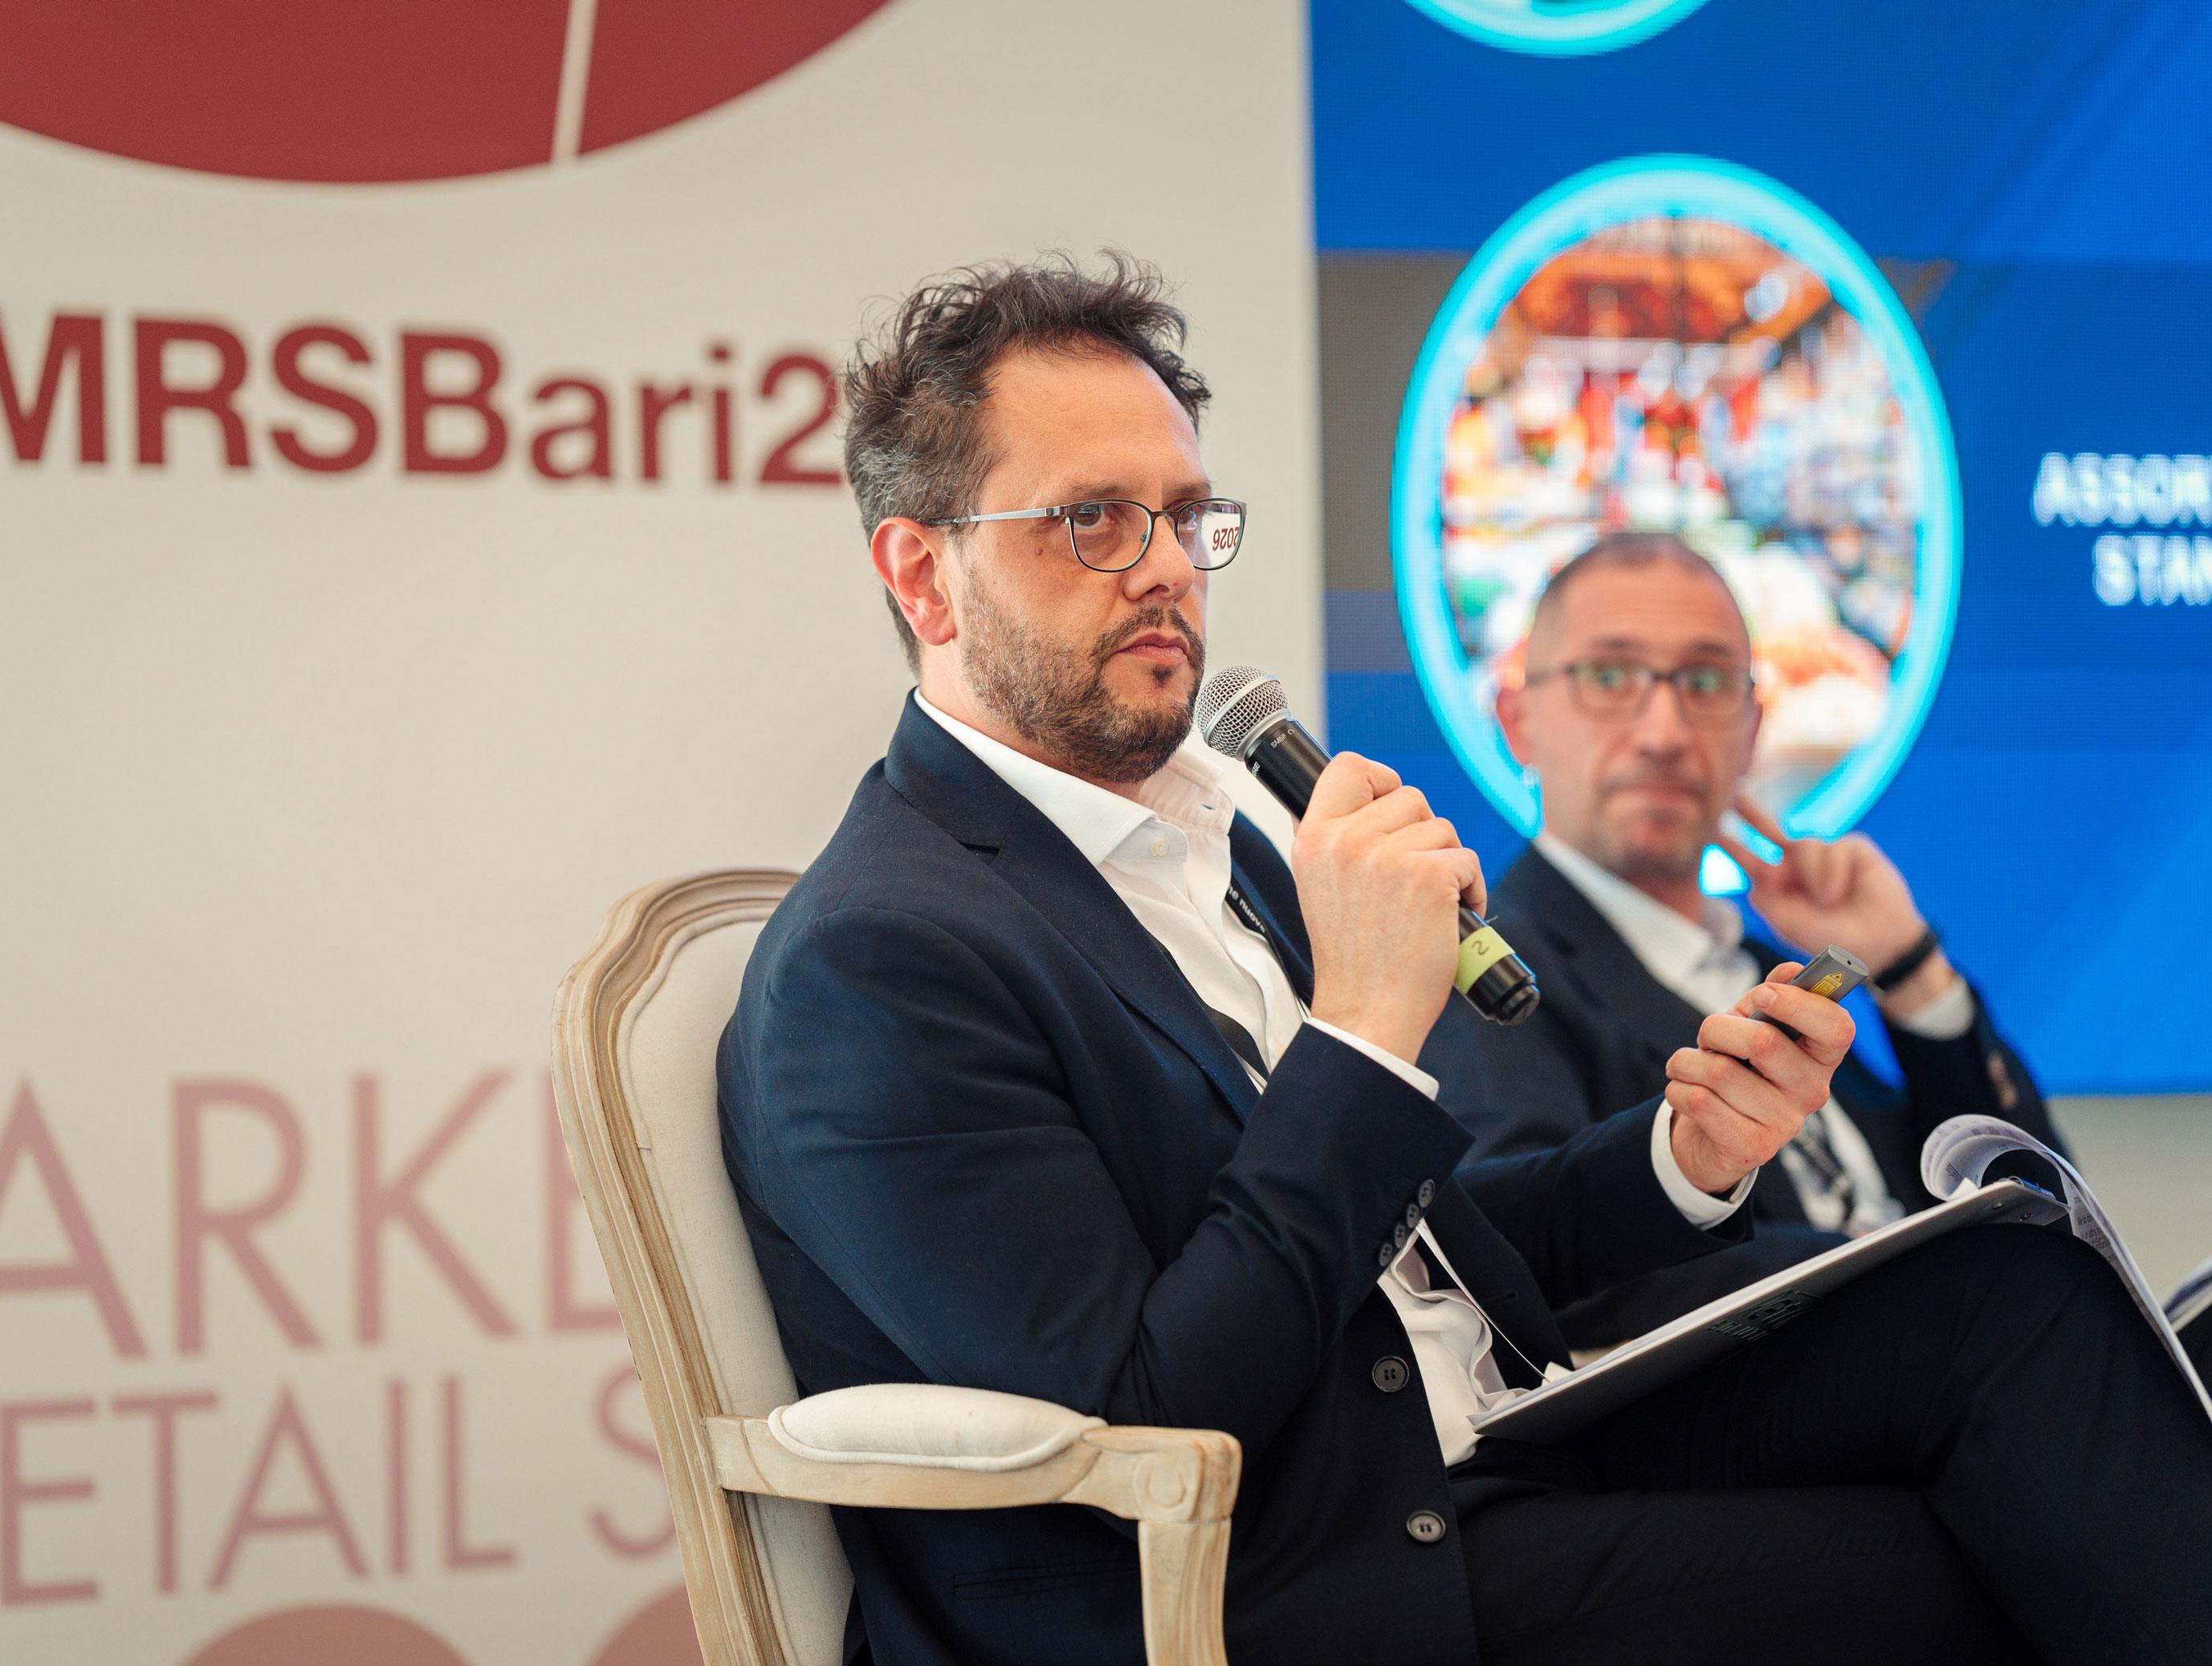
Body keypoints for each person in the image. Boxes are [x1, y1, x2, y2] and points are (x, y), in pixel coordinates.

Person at [715, 256, 2212, 1666]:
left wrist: (1683, 1158)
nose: (1165, 568)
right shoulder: (879, 959)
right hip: (1277, 1572)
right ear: (922, 575)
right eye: (1094, 519)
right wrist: (1364, 1030)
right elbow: (1144, 1423)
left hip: (1481, 1441)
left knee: (2010, 1296)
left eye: (1184, 515)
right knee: (1981, 1556)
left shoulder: (1214, 838)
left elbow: (1413, 1251)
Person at [1419, 532, 2067, 1349]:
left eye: (1704, 682)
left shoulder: (1765, 970)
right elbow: (1511, 1251)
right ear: (1517, 721)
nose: (1662, 731)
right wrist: (1926, 1279)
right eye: (1609, 678)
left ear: (1753, 728)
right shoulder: (1484, 968)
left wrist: (1908, 967)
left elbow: (2037, 1205)